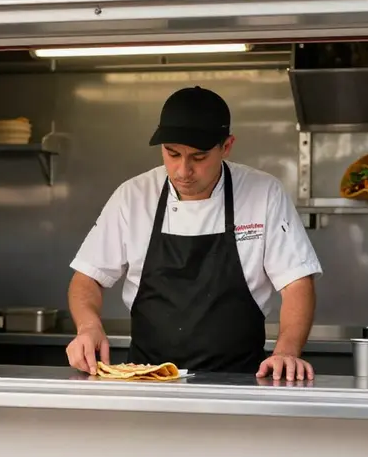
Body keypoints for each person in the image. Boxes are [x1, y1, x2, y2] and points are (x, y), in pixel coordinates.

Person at [65, 85, 322, 381]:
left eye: (198, 158)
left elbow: (297, 284)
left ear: (226, 146)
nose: (182, 171)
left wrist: (287, 352)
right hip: (147, 383)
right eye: (172, 154)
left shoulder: (264, 193)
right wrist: (88, 326)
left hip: (240, 383)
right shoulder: (133, 196)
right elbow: (87, 278)